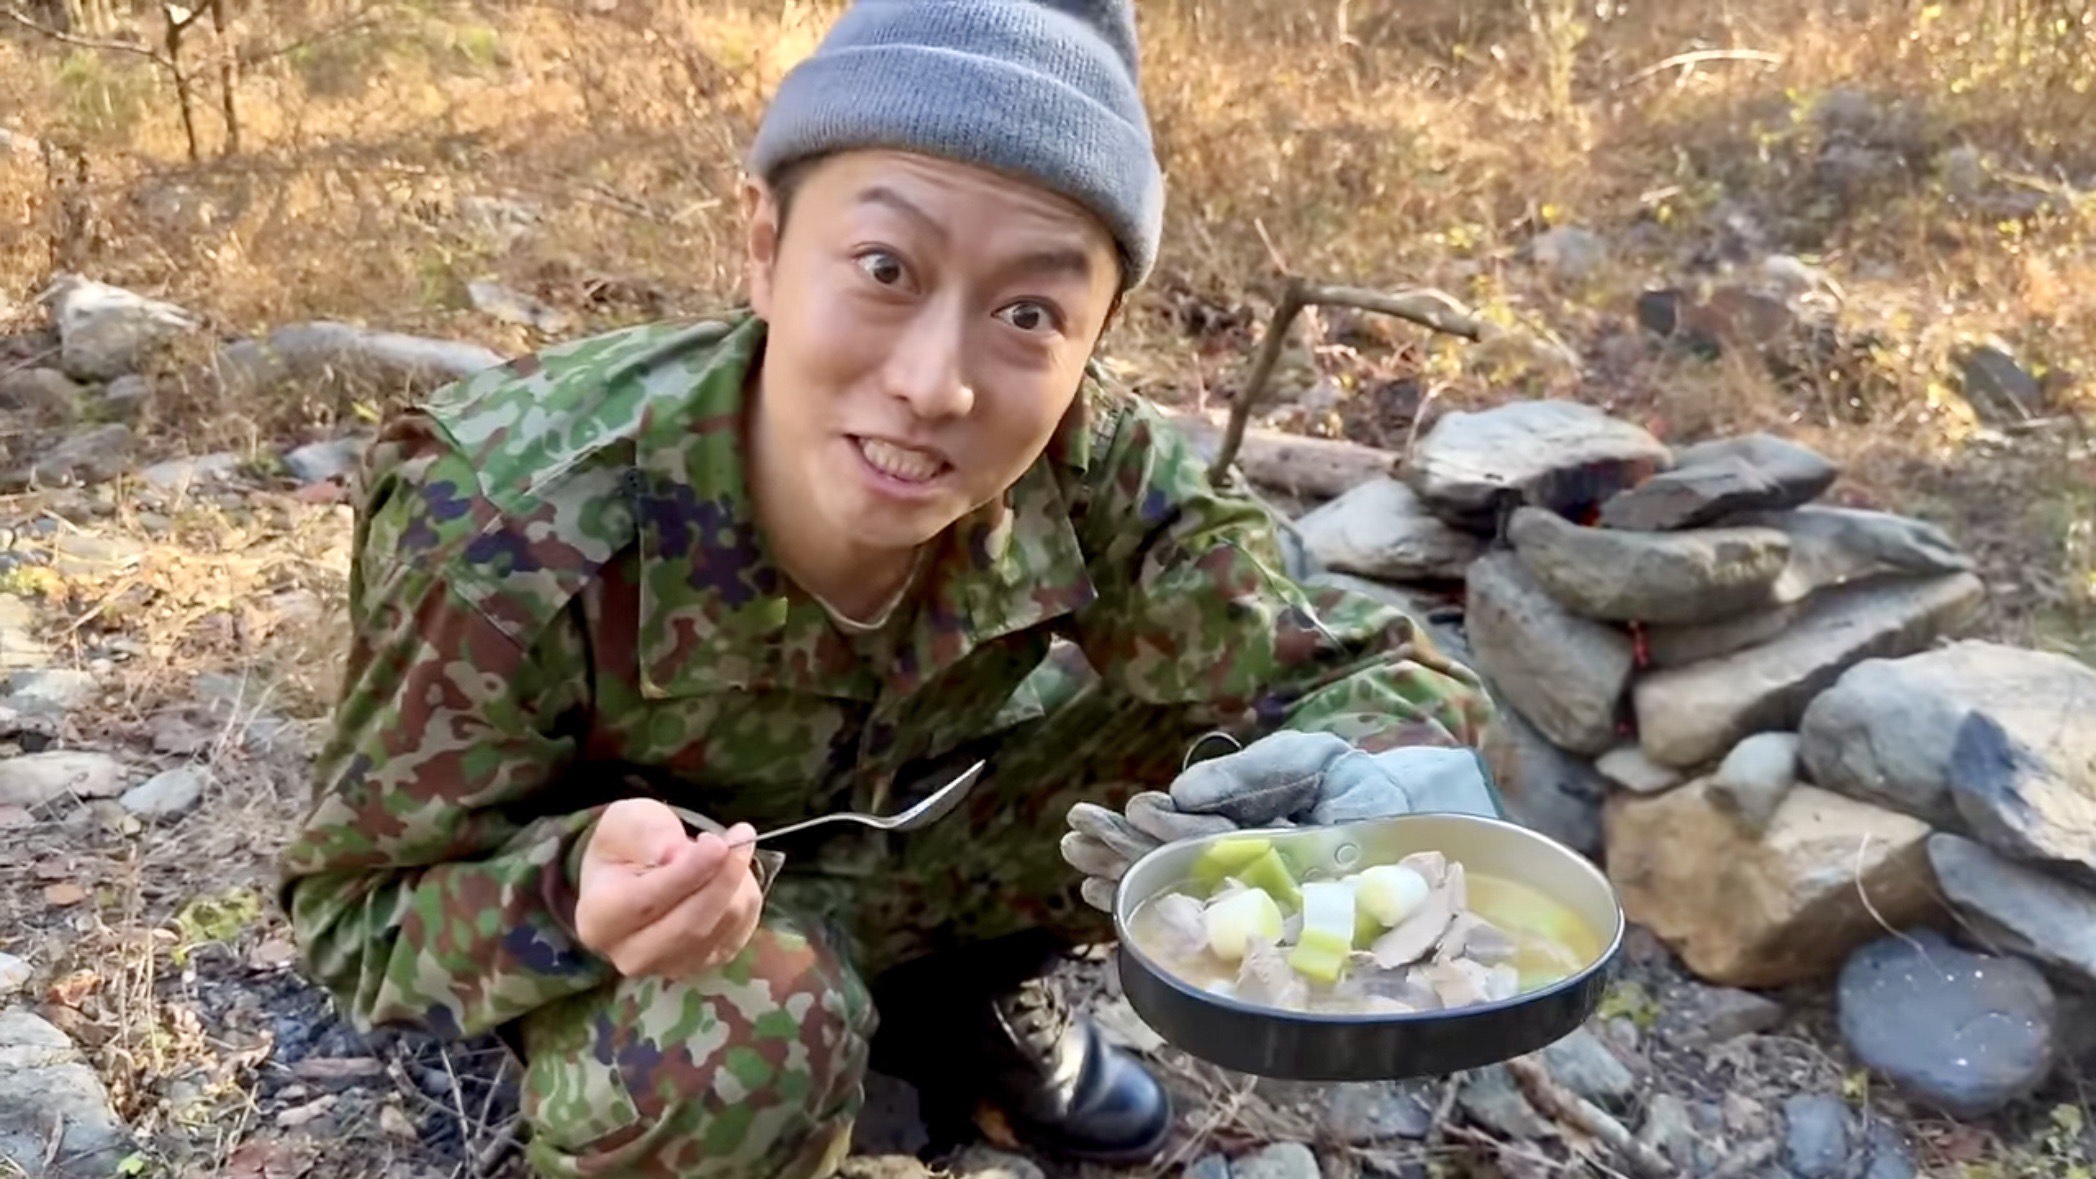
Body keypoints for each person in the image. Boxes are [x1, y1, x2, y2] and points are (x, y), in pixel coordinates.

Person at [277, 2, 1505, 1177]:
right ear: (762, 246)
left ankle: (931, 1007)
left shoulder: (1089, 460)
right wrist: (572, 901)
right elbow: (353, 915)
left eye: (1028, 311)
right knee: (752, 1035)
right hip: (665, 933)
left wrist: (1386, 792)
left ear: (1092, 339)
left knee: (1243, 756)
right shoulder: (514, 519)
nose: (935, 384)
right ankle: (775, 1041)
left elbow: (1361, 667)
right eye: (882, 266)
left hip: (900, 841)